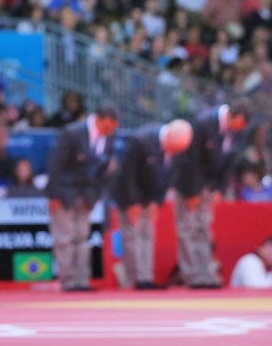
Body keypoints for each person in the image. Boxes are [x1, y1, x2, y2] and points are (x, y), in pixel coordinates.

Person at [172, 101, 250, 288]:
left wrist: (219, 189)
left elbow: (230, 162)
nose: (236, 130)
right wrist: (193, 191)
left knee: (204, 229)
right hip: (190, 184)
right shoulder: (204, 122)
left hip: (210, 185)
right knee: (187, 229)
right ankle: (191, 275)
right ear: (230, 116)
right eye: (235, 125)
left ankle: (205, 273)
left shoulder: (238, 130)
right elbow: (190, 159)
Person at [112, 119, 193, 290]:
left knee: (147, 236)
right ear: (169, 135)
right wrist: (132, 203)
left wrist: (157, 201)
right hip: (130, 195)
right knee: (132, 236)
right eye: (173, 148)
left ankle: (145, 278)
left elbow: (169, 175)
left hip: (151, 195)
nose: (174, 152)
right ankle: (132, 279)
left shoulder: (177, 148)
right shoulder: (141, 140)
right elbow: (126, 174)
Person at [46, 104, 119, 291]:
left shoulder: (108, 137)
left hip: (87, 194)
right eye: (107, 127)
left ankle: (82, 280)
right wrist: (53, 195)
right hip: (64, 192)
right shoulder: (72, 132)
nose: (110, 131)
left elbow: (102, 170)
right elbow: (55, 165)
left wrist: (96, 196)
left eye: (112, 129)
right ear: (98, 119)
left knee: (83, 238)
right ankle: (68, 280)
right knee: (64, 237)